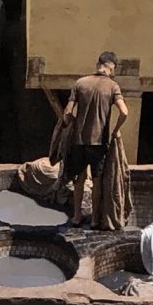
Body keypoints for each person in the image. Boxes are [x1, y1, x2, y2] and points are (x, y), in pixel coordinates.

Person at [64, 51, 129, 228]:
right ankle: (94, 219)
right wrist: (115, 131)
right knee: (97, 180)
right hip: (99, 142)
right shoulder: (113, 86)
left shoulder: (80, 83)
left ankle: (77, 216)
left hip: (78, 141)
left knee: (79, 179)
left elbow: (68, 113)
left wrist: (69, 127)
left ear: (98, 64)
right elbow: (124, 112)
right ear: (111, 67)